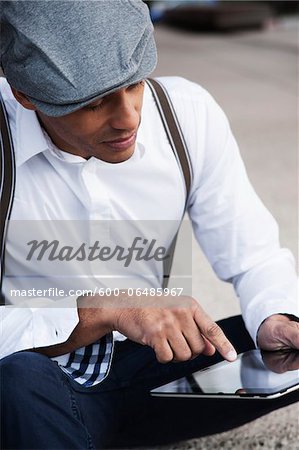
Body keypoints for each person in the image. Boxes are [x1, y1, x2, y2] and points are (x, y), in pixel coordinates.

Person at [0, 1, 298, 449]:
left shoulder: (186, 113)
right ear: (25, 94)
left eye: (134, 83)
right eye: (94, 103)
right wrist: (102, 311)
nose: (128, 118)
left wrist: (277, 315)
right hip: (35, 381)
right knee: (19, 383)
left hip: (160, 367)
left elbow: (254, 257)